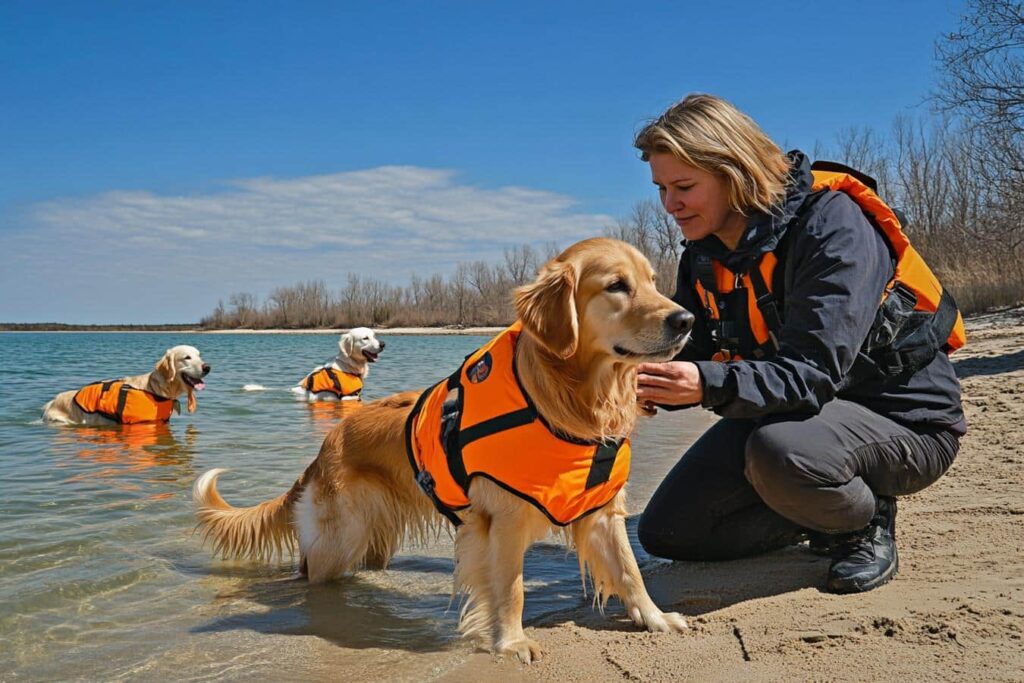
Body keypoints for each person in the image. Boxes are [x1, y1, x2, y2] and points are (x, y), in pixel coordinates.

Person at [633, 94, 965, 594]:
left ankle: (862, 521)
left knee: (780, 451)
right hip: (791, 416)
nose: (670, 205)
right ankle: (813, 509)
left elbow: (810, 373)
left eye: (684, 187)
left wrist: (702, 383)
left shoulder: (833, 226)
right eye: (661, 188)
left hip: (904, 422)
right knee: (670, 532)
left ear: (735, 173)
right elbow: (688, 354)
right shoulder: (703, 256)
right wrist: (617, 374)